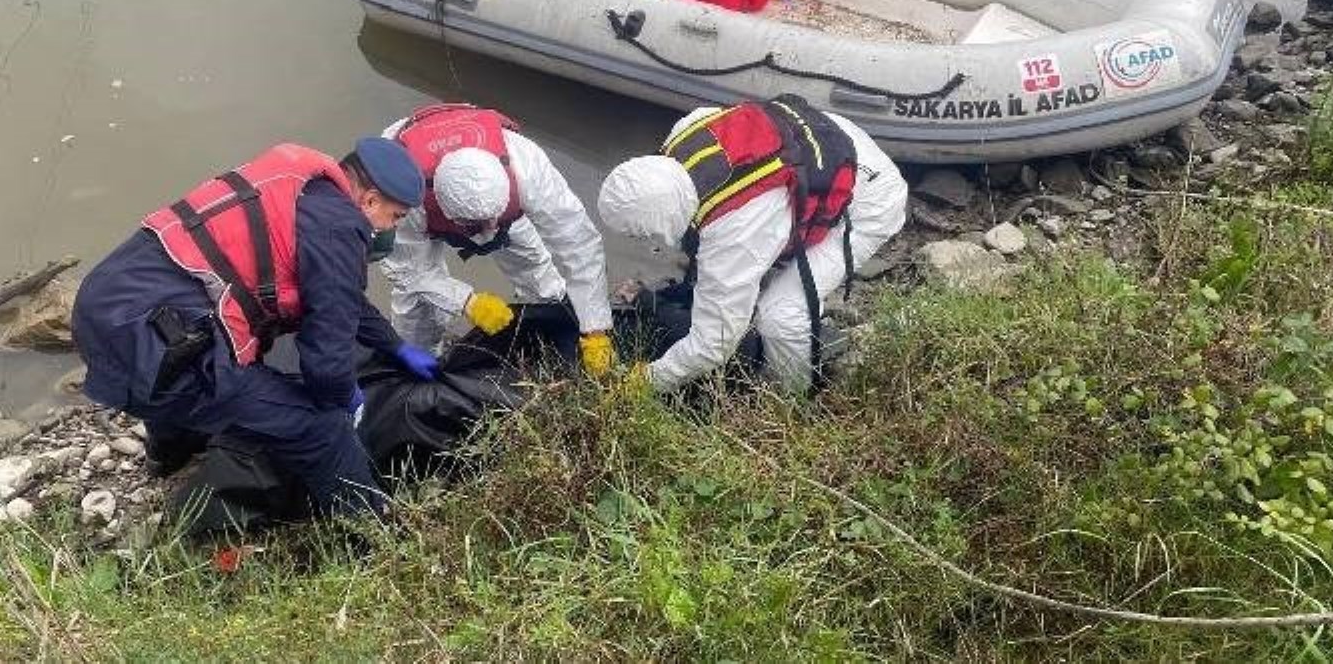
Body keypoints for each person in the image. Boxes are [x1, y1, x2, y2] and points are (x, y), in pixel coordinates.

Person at [71, 139, 434, 516]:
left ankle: (167, 458)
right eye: (396, 216)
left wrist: (394, 345)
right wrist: (345, 400)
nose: (392, 227)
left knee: (190, 360)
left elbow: (339, 298)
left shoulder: (300, 184)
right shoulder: (340, 227)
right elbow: (325, 365)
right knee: (322, 429)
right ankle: (371, 531)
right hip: (151, 344)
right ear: (371, 201)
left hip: (105, 308)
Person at [597, 94, 908, 396]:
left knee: (781, 315)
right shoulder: (682, 135)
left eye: (643, 232)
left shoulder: (736, 230)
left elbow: (713, 345)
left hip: (867, 200)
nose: (644, 240)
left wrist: (644, 381)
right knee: (753, 281)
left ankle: (791, 398)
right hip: (826, 139)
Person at [380, 103, 614, 375]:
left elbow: (579, 245)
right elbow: (409, 272)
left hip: (496, 200)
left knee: (535, 270)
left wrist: (595, 327)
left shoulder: (526, 166)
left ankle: (549, 326)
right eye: (476, 225)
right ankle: (417, 363)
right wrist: (467, 301)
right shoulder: (403, 192)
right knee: (415, 306)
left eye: (494, 218)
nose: (489, 230)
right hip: (420, 187)